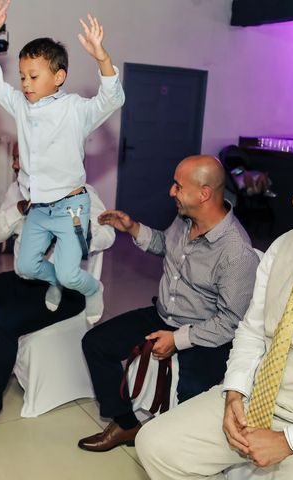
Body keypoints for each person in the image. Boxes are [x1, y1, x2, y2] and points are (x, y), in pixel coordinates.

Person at [135, 131, 293, 480]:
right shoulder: (285, 245)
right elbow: (252, 330)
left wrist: (289, 440)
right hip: (257, 398)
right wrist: (234, 392)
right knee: (155, 444)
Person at [78, 155, 259, 452]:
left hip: (205, 334)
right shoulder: (186, 217)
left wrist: (177, 339)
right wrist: (133, 227)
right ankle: (126, 424)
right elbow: (166, 245)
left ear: (204, 193)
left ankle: (181, 454)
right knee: (96, 343)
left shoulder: (236, 252)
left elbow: (230, 322)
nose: (171, 192)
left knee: (192, 396)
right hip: (163, 315)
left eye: (177, 186)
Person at [0, 145, 115, 455]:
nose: (14, 164)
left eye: (19, 157)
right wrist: (19, 209)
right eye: (13, 158)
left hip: (67, 289)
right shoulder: (17, 190)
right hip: (26, 278)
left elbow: (108, 235)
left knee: (2, 322)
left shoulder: (82, 190)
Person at [0, 0, 125, 323]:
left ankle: (93, 289)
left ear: (58, 76)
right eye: (22, 77)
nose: (25, 84)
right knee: (26, 266)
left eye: (33, 76)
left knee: (73, 274)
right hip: (38, 207)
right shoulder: (20, 105)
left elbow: (112, 98)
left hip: (71, 208)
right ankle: (54, 280)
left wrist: (102, 57)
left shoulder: (75, 109)